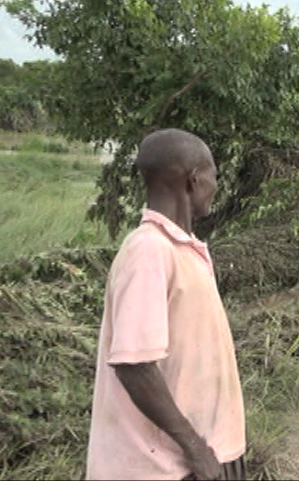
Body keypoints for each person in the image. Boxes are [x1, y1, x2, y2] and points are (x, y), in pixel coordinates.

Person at [86, 129, 246, 480]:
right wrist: (196, 448)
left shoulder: (181, 249)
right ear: (194, 180)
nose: (216, 186)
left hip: (204, 456)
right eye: (214, 176)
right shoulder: (148, 251)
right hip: (166, 469)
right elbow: (134, 365)